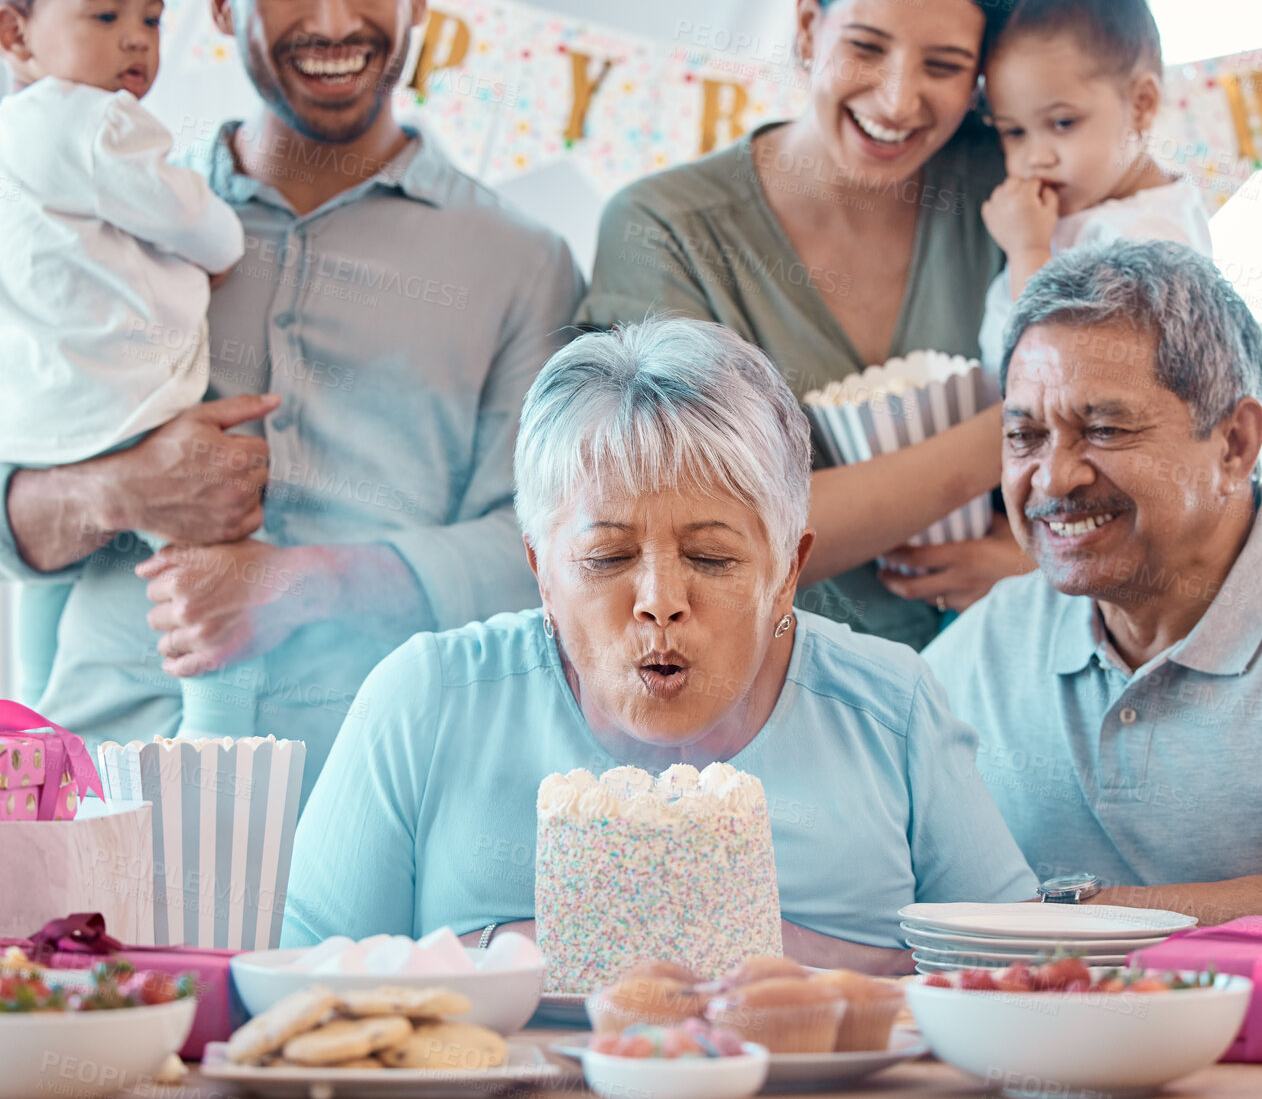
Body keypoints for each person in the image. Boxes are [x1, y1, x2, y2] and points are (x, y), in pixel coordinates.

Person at [0, 0, 582, 788]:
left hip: (377, 797)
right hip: (92, 793)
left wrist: (309, 581)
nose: (333, 18)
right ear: (224, 3)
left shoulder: (522, 262)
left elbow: (556, 552)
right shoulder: (102, 208)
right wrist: (118, 489)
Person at [284, 318, 1036, 971]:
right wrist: (518, 954)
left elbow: (1018, 979)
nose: (660, 603)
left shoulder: (889, 703)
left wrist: (781, 956)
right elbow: (303, 981)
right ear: (542, 571)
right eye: (607, 558)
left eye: (711, 558)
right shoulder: (426, 700)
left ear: (786, 571)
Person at [923, 241, 1262, 922]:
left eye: (1101, 428)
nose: (1053, 476)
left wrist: (1092, 916)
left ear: (1234, 444)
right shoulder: (984, 642)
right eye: (1025, 436)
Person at [577, 0, 1035, 651]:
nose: (896, 98)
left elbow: (1151, 434)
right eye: (865, 46)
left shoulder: (1012, 191)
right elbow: (702, 535)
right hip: (768, 704)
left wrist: (1037, 560)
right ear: (804, 26)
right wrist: (1026, 427)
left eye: (944, 66)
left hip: (1010, 681)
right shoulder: (664, 227)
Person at [0, 0, 262, 741]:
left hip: (32, 415)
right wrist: (221, 240)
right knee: (191, 568)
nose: (137, 40)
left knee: (48, 603)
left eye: (153, 19)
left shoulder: (3, 138)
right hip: (122, 404)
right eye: (105, 15)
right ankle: (214, 729)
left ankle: (25, 724)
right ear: (15, 35)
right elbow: (202, 225)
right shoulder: (96, 123)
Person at [975, 0, 1210, 380]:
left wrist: (1027, 250)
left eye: (1062, 122)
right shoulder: (1090, 208)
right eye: (1013, 132)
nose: (1035, 156)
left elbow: (1070, 369)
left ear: (1141, 104)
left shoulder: (1153, 237)